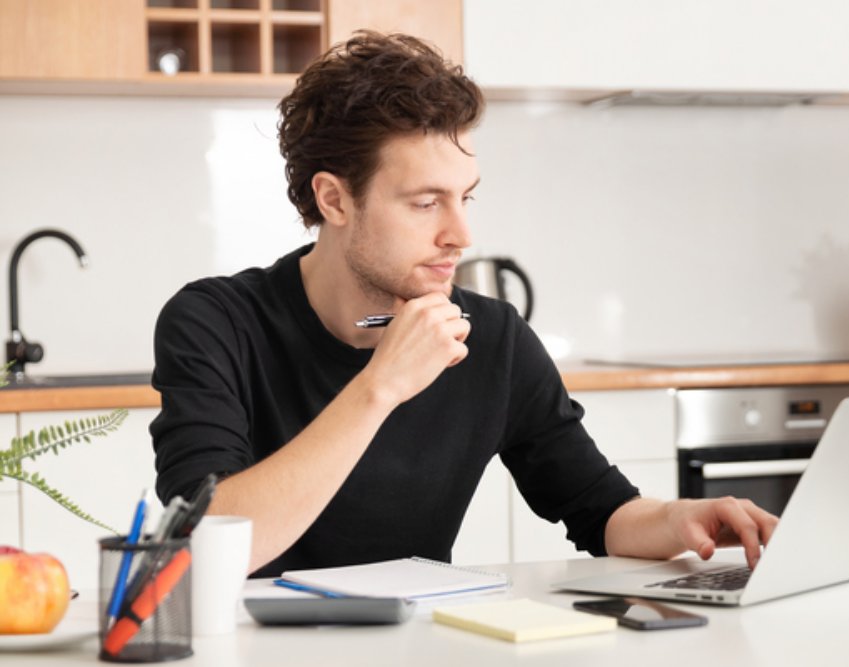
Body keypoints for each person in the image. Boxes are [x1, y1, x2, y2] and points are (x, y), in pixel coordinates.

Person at [151, 31, 777, 578]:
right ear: (335, 201)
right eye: (426, 203)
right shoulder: (216, 323)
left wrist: (680, 518)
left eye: (465, 198)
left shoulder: (494, 337)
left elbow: (601, 509)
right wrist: (379, 388)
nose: (460, 235)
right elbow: (208, 545)